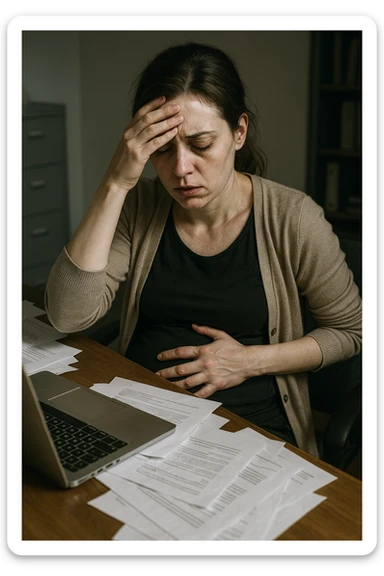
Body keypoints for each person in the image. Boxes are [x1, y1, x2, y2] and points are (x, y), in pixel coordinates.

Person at [44, 41, 362, 458]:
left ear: (239, 133)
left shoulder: (294, 219)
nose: (179, 170)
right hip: (139, 413)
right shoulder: (138, 205)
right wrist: (116, 183)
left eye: (201, 145)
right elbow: (67, 315)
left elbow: (352, 332)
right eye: (161, 150)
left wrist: (249, 361)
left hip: (247, 427)